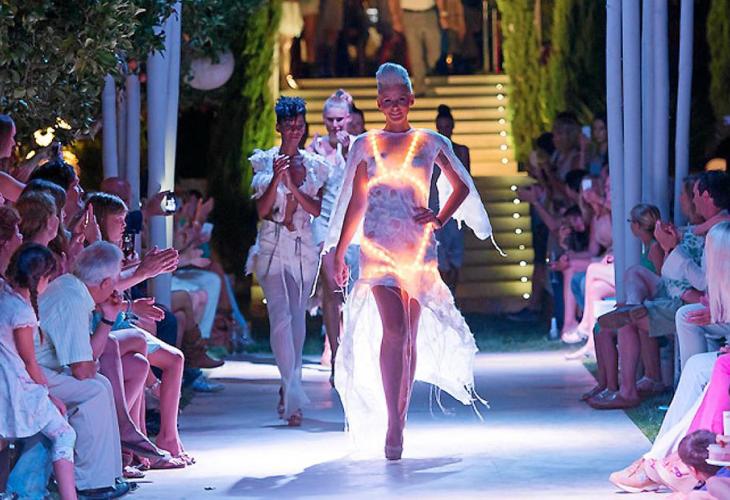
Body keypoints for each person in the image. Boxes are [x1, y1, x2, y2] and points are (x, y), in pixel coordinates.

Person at [325, 63, 493, 460]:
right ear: (379, 103)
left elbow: (462, 186)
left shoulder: (430, 141)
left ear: (411, 100)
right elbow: (357, 200)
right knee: (396, 330)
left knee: (410, 337)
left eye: (401, 99)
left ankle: (400, 417)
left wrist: (440, 217)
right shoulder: (365, 144)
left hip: (417, 251)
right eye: (388, 101)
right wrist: (339, 250)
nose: (395, 106)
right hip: (378, 248)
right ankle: (393, 425)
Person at [246, 96, 330, 426]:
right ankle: (292, 391)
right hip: (271, 244)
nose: (295, 130)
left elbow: (315, 209)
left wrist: (292, 186)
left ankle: (289, 386)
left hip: (302, 246)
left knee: (297, 317)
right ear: (279, 126)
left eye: (299, 125)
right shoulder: (265, 162)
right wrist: (277, 180)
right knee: (279, 315)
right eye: (289, 125)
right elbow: (262, 209)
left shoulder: (315, 165)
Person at [36, 242, 127, 496]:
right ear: (106, 283)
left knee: (102, 384)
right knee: (93, 391)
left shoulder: (73, 288)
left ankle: (108, 475)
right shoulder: (72, 299)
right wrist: (90, 365)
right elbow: (82, 370)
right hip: (30, 372)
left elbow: (87, 360)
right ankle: (87, 482)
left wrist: (108, 318)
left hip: (45, 368)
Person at [1, 244, 77, 500]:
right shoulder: (21, 312)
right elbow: (29, 360)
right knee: (64, 433)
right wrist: (47, 394)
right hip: (18, 387)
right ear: (40, 278)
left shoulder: (5, 297)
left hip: (7, 383)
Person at [308, 89, 358, 384]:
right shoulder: (317, 149)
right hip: (325, 225)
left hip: (353, 227)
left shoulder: (360, 146)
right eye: (330, 120)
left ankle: (352, 353)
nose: (335, 125)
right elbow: (311, 191)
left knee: (354, 292)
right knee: (332, 290)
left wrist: (349, 151)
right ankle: (336, 355)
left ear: (349, 118)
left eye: (340, 119)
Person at [431, 104, 470, 293]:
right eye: (441, 127)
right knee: (440, 256)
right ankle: (445, 296)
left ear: (452, 127)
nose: (444, 130)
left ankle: (452, 295)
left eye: (447, 127)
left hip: (456, 210)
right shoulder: (431, 150)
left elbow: (467, 181)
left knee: (455, 256)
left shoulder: (461, 151)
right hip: (436, 207)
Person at [388, 0, 447, 96]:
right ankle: (420, 87)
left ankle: (430, 72)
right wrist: (396, 18)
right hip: (409, 15)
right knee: (415, 53)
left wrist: (442, 13)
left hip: (429, 13)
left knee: (435, 51)